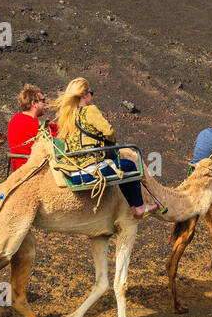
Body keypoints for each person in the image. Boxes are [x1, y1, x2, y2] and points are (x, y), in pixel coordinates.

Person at [51, 77, 156, 217]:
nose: (92, 96)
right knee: (129, 165)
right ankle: (139, 206)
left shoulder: (67, 116)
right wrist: (108, 141)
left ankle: (133, 207)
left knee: (121, 167)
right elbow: (109, 132)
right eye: (90, 92)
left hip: (75, 174)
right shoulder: (89, 110)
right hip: (91, 171)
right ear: (84, 94)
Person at [7, 84, 56, 172]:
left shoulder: (15, 119)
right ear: (34, 103)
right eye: (43, 100)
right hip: (34, 170)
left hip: (18, 169)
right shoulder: (34, 124)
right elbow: (57, 142)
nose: (46, 103)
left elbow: (53, 127)